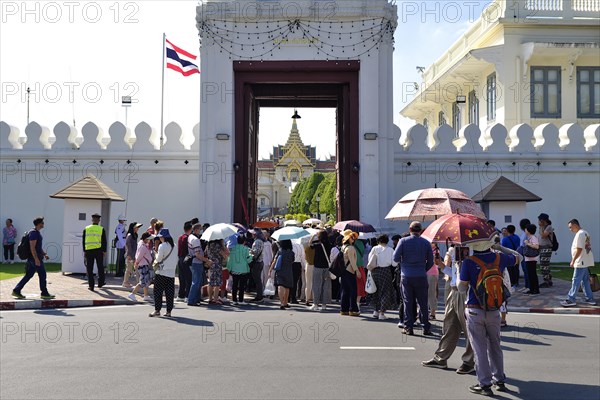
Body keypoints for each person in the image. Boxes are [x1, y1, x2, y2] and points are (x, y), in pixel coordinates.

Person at [458, 239, 520, 396]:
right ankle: (499, 379)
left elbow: (461, 288)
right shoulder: (500, 258)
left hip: (474, 310)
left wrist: (460, 272)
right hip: (494, 309)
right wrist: (500, 247)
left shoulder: (468, 262)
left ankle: (485, 384)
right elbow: (519, 257)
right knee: (495, 345)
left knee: (479, 348)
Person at [422, 241, 475, 375]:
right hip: (454, 291)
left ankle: (469, 362)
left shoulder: (472, 248)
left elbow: (467, 274)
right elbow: (454, 273)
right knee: (449, 325)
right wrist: (441, 265)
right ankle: (441, 358)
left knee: (469, 328)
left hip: (465, 292)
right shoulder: (455, 249)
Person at [393, 221, 434, 336]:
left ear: (410, 229)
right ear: (420, 230)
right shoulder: (426, 243)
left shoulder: (403, 241)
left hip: (406, 275)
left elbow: (395, 258)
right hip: (421, 275)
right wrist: (422, 269)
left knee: (408, 302)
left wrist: (405, 263)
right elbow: (430, 261)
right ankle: (426, 326)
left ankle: (408, 327)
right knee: (423, 303)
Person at [11, 217, 55, 299]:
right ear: (39, 224)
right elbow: (32, 247)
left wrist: (44, 254)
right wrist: (36, 259)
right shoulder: (34, 233)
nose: (43, 224)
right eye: (42, 223)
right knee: (42, 275)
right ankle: (44, 293)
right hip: (34, 259)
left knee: (29, 275)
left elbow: (38, 246)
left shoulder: (36, 232)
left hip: (36, 258)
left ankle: (16, 290)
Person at [560, 219, 597, 307]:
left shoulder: (580, 234)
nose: (570, 229)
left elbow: (579, 249)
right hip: (585, 260)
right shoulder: (585, 232)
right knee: (585, 281)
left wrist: (573, 260)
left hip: (581, 261)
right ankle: (590, 298)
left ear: (575, 225)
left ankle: (571, 299)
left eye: (570, 227)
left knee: (575, 280)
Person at [367, 234, 398, 320]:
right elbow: (394, 263)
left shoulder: (374, 248)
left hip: (375, 271)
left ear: (378, 240)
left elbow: (370, 260)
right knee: (385, 291)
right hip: (385, 271)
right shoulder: (390, 250)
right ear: (387, 241)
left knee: (375, 290)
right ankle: (382, 312)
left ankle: (376, 311)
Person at [149, 229, 176, 317]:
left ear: (163, 237)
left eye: (160, 237)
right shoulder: (174, 246)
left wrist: (156, 254)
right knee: (169, 293)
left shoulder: (162, 246)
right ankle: (169, 311)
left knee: (158, 292)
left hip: (162, 271)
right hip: (171, 272)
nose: (160, 238)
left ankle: (157, 310)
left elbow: (159, 259)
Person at [187, 223, 212, 306]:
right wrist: (206, 260)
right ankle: (191, 300)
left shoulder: (190, 237)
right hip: (197, 262)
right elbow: (197, 254)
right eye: (200, 230)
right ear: (196, 230)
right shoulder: (196, 240)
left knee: (197, 281)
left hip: (194, 261)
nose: (201, 231)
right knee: (196, 282)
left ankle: (196, 299)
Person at [82, 213, 107, 291]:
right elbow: (104, 241)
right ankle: (100, 282)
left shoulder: (86, 228)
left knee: (89, 268)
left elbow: (83, 241)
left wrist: (84, 250)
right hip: (98, 250)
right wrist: (104, 251)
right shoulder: (101, 229)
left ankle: (91, 286)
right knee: (100, 267)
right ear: (99, 220)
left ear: (92, 220)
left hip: (89, 251)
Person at [227, 235, 253, 305]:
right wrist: (252, 256)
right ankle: (241, 300)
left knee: (234, 285)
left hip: (234, 269)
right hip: (244, 269)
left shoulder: (233, 249)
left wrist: (229, 268)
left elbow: (230, 260)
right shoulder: (246, 249)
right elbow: (249, 259)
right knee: (242, 286)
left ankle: (234, 300)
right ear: (244, 241)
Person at [128, 232, 154, 302]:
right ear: (146, 239)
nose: (150, 240)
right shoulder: (143, 246)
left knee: (146, 281)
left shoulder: (141, 244)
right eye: (149, 239)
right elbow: (139, 256)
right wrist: (136, 263)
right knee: (143, 281)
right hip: (143, 265)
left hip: (143, 265)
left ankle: (146, 295)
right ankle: (132, 294)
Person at [340, 230, 361, 316]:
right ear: (348, 238)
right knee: (353, 290)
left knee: (345, 290)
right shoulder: (351, 248)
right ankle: (353, 309)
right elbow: (352, 261)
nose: (354, 239)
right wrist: (357, 270)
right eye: (352, 237)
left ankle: (344, 309)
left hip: (344, 270)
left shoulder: (343, 247)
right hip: (350, 270)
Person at [269, 239, 294, 310]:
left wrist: (270, 270)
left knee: (280, 285)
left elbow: (275, 261)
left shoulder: (280, 251)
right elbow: (292, 261)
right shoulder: (291, 252)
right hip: (289, 271)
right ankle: (286, 302)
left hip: (280, 270)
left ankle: (281, 302)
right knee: (287, 287)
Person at [310, 230, 331, 312]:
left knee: (316, 285)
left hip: (318, 266)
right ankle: (324, 304)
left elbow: (310, 245)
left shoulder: (318, 245)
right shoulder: (329, 245)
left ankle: (315, 304)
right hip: (327, 267)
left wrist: (312, 237)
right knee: (326, 286)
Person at [206, 239, 229, 305]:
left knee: (211, 282)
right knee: (217, 283)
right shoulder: (217, 245)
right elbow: (225, 255)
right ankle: (215, 299)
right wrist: (223, 245)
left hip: (211, 264)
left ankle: (210, 298)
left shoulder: (209, 245)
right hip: (217, 264)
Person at [176, 221, 193, 302]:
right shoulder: (187, 238)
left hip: (180, 258)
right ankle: (187, 295)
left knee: (181, 278)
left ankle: (180, 295)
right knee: (188, 278)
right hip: (186, 258)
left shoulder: (180, 237)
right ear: (190, 229)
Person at [537, 213, 555, 288]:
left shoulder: (549, 227)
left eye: (540, 220)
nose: (538, 221)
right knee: (543, 265)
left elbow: (543, 235)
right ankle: (549, 280)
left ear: (543, 220)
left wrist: (541, 227)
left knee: (544, 265)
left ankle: (546, 281)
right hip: (542, 248)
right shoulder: (543, 227)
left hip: (546, 248)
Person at [123, 222, 142, 288]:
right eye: (137, 227)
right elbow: (128, 245)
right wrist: (129, 255)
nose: (138, 229)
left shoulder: (135, 235)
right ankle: (125, 282)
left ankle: (137, 283)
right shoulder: (130, 235)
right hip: (130, 255)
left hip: (134, 254)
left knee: (136, 269)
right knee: (129, 269)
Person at [523, 224, 540, 295]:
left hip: (532, 259)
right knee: (530, 274)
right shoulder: (530, 237)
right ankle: (532, 288)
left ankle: (535, 289)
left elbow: (536, 246)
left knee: (532, 274)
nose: (525, 230)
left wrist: (528, 243)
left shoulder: (533, 237)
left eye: (526, 229)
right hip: (529, 258)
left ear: (529, 230)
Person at [249, 229, 265, 303]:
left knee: (257, 280)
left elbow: (256, 253)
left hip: (257, 263)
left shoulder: (257, 242)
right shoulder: (260, 241)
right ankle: (259, 295)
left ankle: (259, 296)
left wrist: (250, 251)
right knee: (258, 280)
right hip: (259, 262)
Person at [427, 243, 442, 320]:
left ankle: (432, 313)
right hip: (426, 273)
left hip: (432, 273)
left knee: (432, 293)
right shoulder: (428, 249)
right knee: (426, 294)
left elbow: (437, 263)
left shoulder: (436, 251)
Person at [290, 238, 306, 304]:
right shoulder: (300, 246)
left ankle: (287, 297)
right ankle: (293, 297)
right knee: (295, 282)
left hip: (289, 264)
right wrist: (304, 266)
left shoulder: (288, 245)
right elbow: (303, 257)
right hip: (297, 264)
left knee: (288, 281)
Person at [354, 238, 367, 311]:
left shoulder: (347, 244)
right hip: (359, 265)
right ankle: (357, 303)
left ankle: (353, 303)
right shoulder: (360, 243)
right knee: (360, 285)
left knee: (352, 286)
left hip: (350, 267)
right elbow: (362, 253)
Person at [518, 218, 531, 292]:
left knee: (527, 270)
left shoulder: (527, 233)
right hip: (522, 252)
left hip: (526, 252)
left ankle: (529, 286)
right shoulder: (523, 233)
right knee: (524, 269)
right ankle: (526, 285)